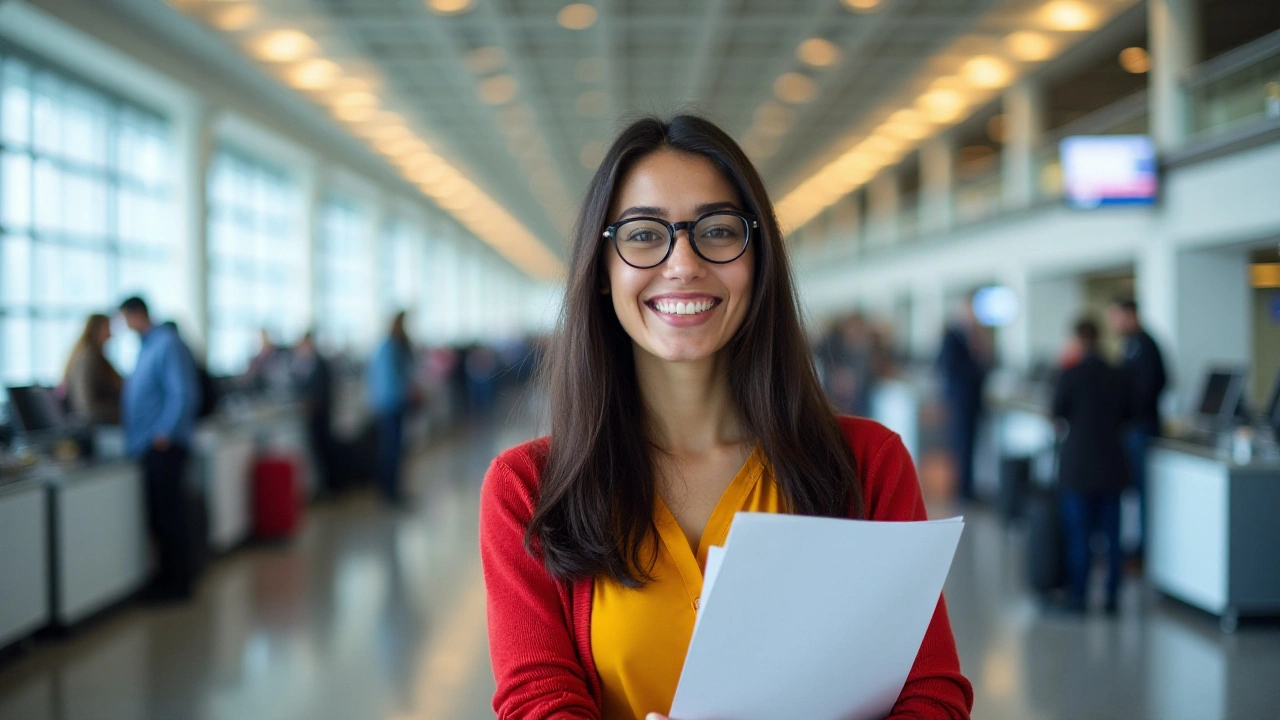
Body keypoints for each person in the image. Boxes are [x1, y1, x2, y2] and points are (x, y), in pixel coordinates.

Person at [479, 115, 971, 720]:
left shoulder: (866, 463)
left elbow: (930, 692)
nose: (683, 263)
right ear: (602, 271)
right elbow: (536, 700)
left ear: (757, 258)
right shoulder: (530, 488)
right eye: (642, 234)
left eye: (716, 230)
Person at [118, 296, 202, 601]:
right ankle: (165, 577)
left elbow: (182, 392)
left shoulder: (166, 343)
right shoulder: (145, 346)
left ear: (136, 314)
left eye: (126, 319)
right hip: (147, 445)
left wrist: (164, 432)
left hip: (164, 446)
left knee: (171, 516)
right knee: (159, 517)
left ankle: (178, 583)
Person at [1052, 317, 1133, 614]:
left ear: (1077, 340)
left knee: (1080, 535)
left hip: (1079, 468)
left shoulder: (1070, 374)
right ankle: (1112, 598)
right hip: (1112, 464)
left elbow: (1057, 411)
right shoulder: (1119, 375)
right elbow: (1130, 414)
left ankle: (1079, 597)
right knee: (1112, 536)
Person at [1106, 297, 1167, 561]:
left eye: (1116, 316)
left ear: (1130, 314)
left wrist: (1129, 410)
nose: (1113, 323)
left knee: (1142, 493)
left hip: (1141, 429)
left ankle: (1144, 552)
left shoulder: (1145, 345)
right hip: (1130, 429)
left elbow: (1154, 384)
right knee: (1130, 493)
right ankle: (1133, 546)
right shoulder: (1129, 345)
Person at [936, 300, 991, 502]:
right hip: (960, 400)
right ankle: (963, 490)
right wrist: (975, 366)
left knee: (970, 444)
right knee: (962, 445)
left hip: (972, 401)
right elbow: (947, 366)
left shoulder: (974, 336)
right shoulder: (953, 337)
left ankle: (967, 487)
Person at [368, 311, 417, 505]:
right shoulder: (392, 347)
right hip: (392, 405)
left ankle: (389, 490)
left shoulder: (386, 347)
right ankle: (391, 492)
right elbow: (395, 379)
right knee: (392, 449)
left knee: (391, 448)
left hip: (385, 404)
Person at [294, 331, 336, 495]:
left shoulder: (320, 364)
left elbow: (323, 391)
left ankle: (329, 486)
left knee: (324, 452)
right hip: (313, 417)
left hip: (321, 416)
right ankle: (323, 486)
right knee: (316, 453)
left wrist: (313, 404)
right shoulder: (304, 364)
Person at [62, 314, 123, 426]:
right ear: (95, 330)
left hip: (100, 423)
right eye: (107, 329)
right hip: (95, 426)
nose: (110, 335)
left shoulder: (98, 357)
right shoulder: (87, 357)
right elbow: (85, 403)